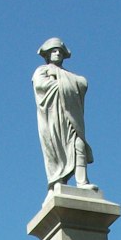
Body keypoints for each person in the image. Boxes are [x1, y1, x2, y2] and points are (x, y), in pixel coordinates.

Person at [32, 39, 97, 191]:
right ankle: (57, 181)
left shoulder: (68, 74)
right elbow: (42, 86)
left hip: (71, 117)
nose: (57, 54)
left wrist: (66, 81)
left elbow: (82, 84)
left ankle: (82, 182)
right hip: (53, 118)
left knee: (78, 144)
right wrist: (67, 84)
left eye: (60, 51)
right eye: (54, 51)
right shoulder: (42, 70)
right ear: (48, 54)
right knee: (55, 148)